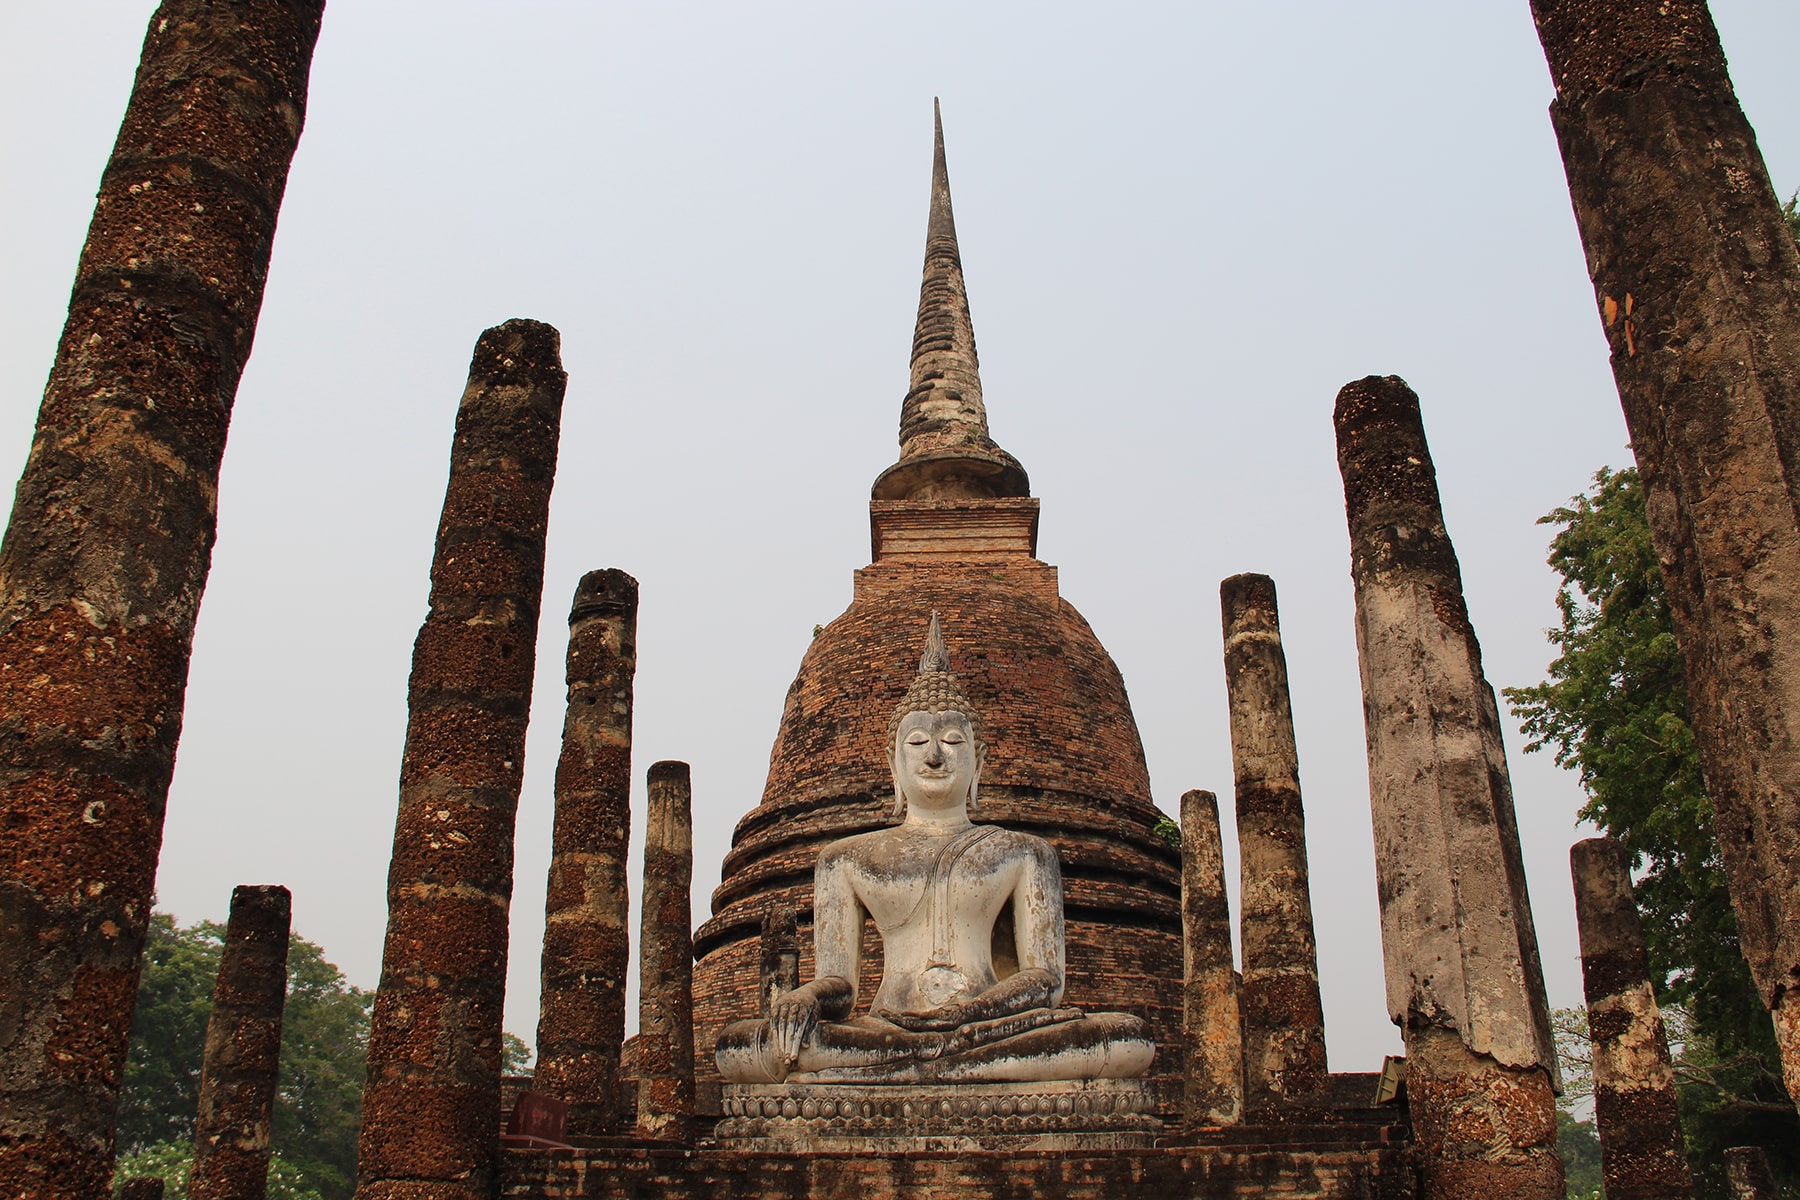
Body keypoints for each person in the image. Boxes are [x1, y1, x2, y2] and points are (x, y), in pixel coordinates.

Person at [715, 615, 1154, 1085]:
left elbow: (1045, 980)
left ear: (978, 761)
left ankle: (906, 1070)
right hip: (885, 1028)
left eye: (951, 742)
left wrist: (968, 1016)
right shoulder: (845, 860)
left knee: (1126, 1039)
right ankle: (937, 1066)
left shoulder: (1023, 853)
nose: (935, 756)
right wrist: (805, 997)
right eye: (919, 742)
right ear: (893, 762)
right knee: (741, 1047)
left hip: (989, 1028)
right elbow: (841, 987)